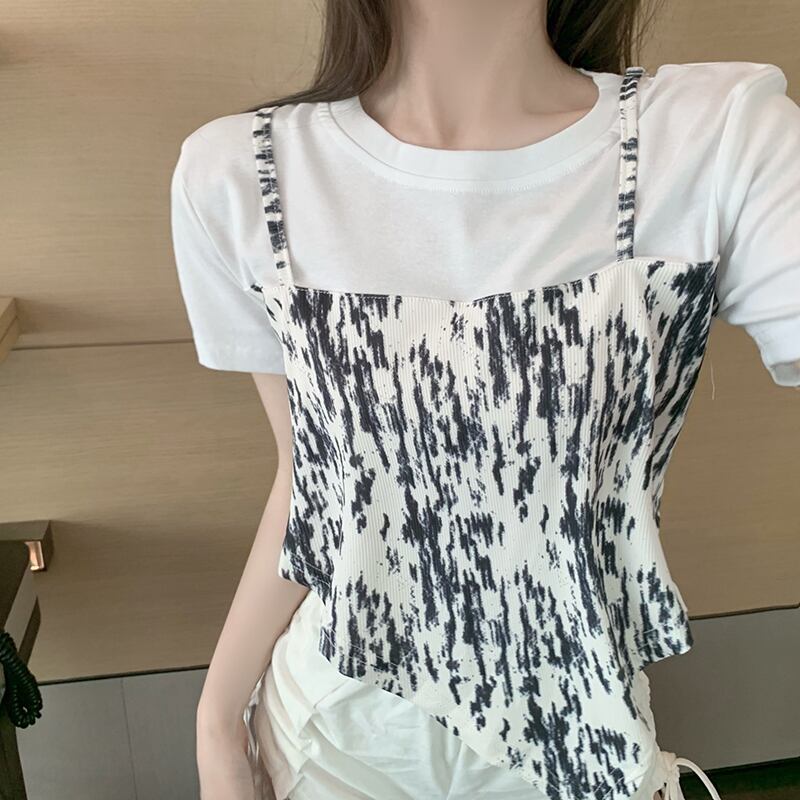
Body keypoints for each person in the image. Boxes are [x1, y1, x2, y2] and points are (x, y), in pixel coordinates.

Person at [169, 2, 800, 799]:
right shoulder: (238, 172)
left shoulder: (712, 137)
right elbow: (310, 482)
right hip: (327, 734)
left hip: (579, 741)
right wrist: (217, 720)